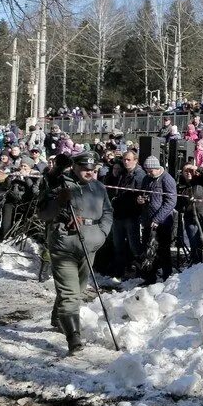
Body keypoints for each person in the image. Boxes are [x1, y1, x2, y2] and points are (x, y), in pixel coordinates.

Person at [37, 151, 114, 354]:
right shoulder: (60, 184)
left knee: (77, 289)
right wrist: (59, 202)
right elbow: (43, 213)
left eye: (93, 170)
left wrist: (102, 234)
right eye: (85, 169)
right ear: (75, 168)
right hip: (64, 245)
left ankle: (57, 316)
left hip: (90, 244)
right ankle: (74, 338)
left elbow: (107, 212)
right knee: (70, 293)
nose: (89, 173)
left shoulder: (99, 187)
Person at [137, 156, 178, 284]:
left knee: (163, 250)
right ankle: (150, 278)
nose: (149, 173)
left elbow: (171, 201)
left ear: (157, 168)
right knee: (148, 250)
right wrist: (141, 199)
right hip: (148, 220)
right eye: (147, 171)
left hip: (163, 222)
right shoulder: (147, 178)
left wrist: (158, 218)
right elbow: (143, 193)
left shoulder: (167, 179)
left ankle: (167, 276)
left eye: (151, 171)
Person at [105, 150, 145, 278]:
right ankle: (120, 271)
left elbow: (141, 194)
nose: (126, 162)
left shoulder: (139, 175)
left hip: (131, 215)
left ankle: (141, 271)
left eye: (128, 160)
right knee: (118, 244)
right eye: (124, 160)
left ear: (135, 160)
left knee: (134, 245)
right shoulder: (123, 173)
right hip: (119, 214)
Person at [177, 163, 203, 263]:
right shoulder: (180, 186)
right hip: (190, 218)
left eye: (190, 171)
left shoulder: (202, 181)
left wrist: (197, 168)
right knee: (194, 243)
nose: (188, 173)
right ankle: (196, 263)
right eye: (185, 171)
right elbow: (177, 204)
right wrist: (184, 205)